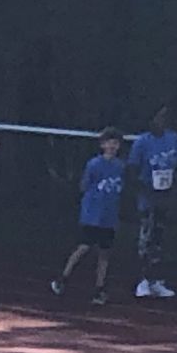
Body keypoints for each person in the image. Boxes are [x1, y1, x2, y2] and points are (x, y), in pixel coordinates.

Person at [54, 128, 126, 306]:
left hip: (109, 216)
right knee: (83, 247)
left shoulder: (120, 166)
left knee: (104, 253)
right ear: (102, 145)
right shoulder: (94, 164)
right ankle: (63, 278)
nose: (112, 146)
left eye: (115, 143)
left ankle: (99, 288)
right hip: (93, 215)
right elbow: (84, 185)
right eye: (109, 142)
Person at [129, 107, 177, 297]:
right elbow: (133, 169)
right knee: (146, 238)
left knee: (159, 240)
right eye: (158, 118)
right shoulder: (142, 142)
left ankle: (156, 280)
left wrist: (174, 190)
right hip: (148, 197)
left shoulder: (173, 138)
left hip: (165, 196)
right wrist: (145, 189)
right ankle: (142, 279)